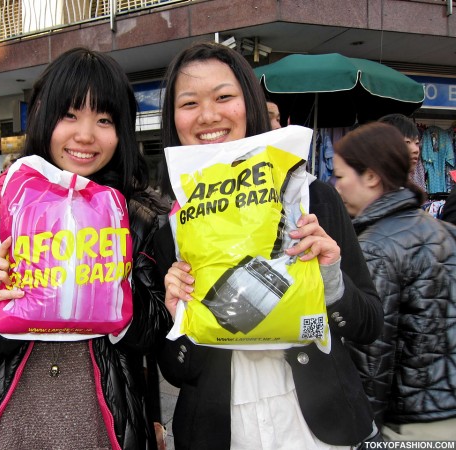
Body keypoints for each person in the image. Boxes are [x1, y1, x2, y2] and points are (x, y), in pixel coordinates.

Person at [0, 48, 171, 450]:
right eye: (69, 115)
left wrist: (122, 299)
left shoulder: (135, 219)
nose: (86, 135)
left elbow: (158, 329)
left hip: (100, 427)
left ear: (122, 131)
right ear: (42, 116)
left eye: (104, 120)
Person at [154, 42, 383, 449]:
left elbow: (368, 325)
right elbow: (176, 370)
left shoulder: (310, 198)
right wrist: (179, 318)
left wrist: (329, 280)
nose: (209, 115)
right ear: (173, 119)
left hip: (318, 427)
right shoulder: (171, 224)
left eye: (224, 97)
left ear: (251, 104)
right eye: (189, 103)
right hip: (220, 430)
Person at [333, 122, 456, 442]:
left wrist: (364, 436)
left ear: (371, 177)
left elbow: (372, 360)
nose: (336, 186)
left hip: (407, 424)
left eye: (341, 176)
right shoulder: (445, 231)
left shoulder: (374, 248)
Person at [377, 113, 425, 191]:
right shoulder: (372, 189)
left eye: (416, 143)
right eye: (407, 142)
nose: (416, 150)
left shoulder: (409, 192)